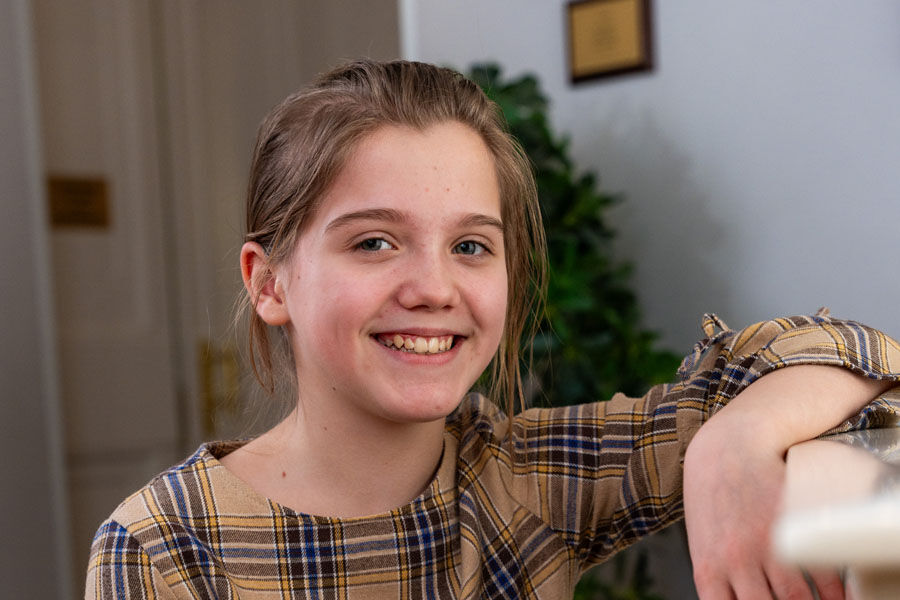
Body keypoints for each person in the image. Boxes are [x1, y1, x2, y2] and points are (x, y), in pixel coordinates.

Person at [86, 59, 900, 599]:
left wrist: (735, 442)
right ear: (269, 283)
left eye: (471, 246)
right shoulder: (163, 546)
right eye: (374, 243)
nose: (434, 288)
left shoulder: (531, 479)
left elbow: (862, 351)